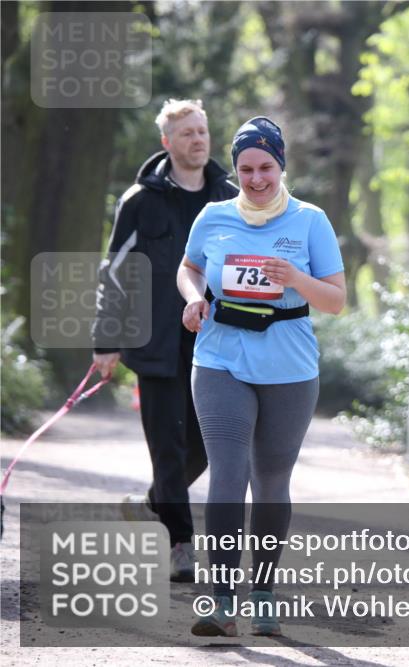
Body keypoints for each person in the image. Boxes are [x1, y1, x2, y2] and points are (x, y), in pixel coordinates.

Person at [177, 116, 346, 637]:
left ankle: (264, 592)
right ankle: (221, 601)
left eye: (265, 167)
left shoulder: (310, 220)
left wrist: (295, 277)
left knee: (270, 482)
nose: (255, 179)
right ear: (235, 169)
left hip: (289, 367)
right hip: (220, 358)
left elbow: (337, 300)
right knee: (227, 474)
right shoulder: (213, 215)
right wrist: (193, 300)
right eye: (246, 168)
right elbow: (190, 267)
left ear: (281, 166)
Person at [92, 98, 238, 582]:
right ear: (167, 143)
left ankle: (157, 500)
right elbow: (113, 274)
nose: (198, 140)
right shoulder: (139, 201)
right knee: (167, 445)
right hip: (153, 342)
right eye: (187, 133)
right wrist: (105, 341)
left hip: (215, 341)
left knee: (211, 443)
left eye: (203, 131)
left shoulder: (230, 198)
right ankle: (180, 542)